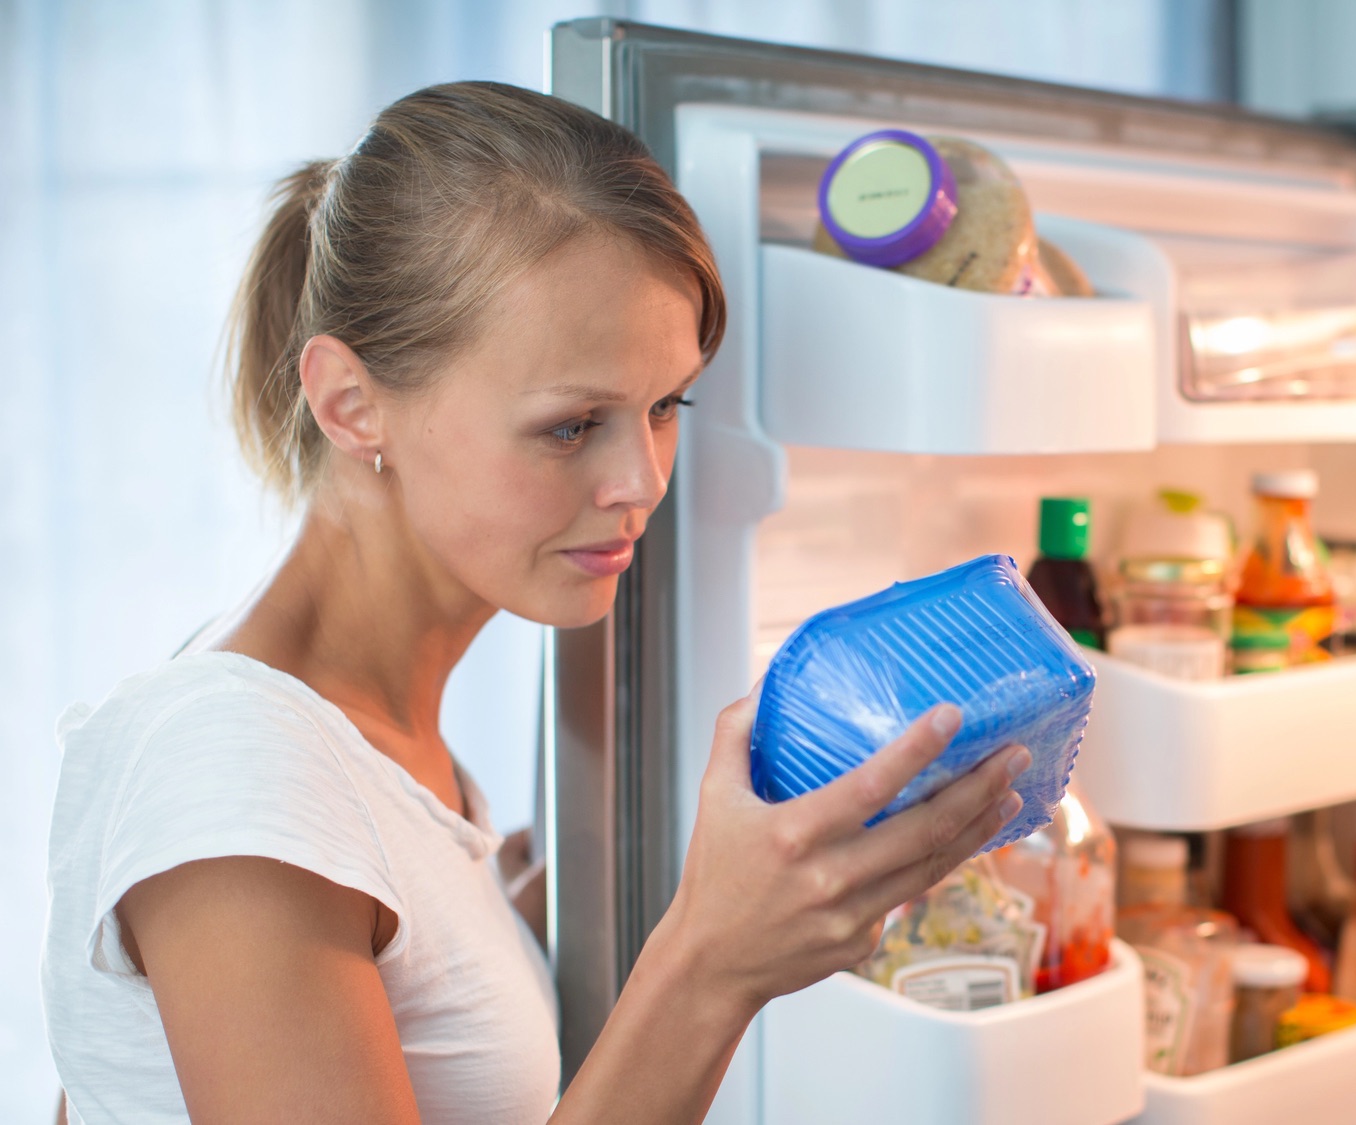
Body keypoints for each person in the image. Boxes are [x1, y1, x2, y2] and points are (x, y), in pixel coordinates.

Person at [40, 81, 1028, 1124]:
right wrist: (710, 967)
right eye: (571, 426)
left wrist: (508, 926)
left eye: (663, 406)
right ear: (350, 403)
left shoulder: (339, 739)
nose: (642, 480)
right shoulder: (231, 772)